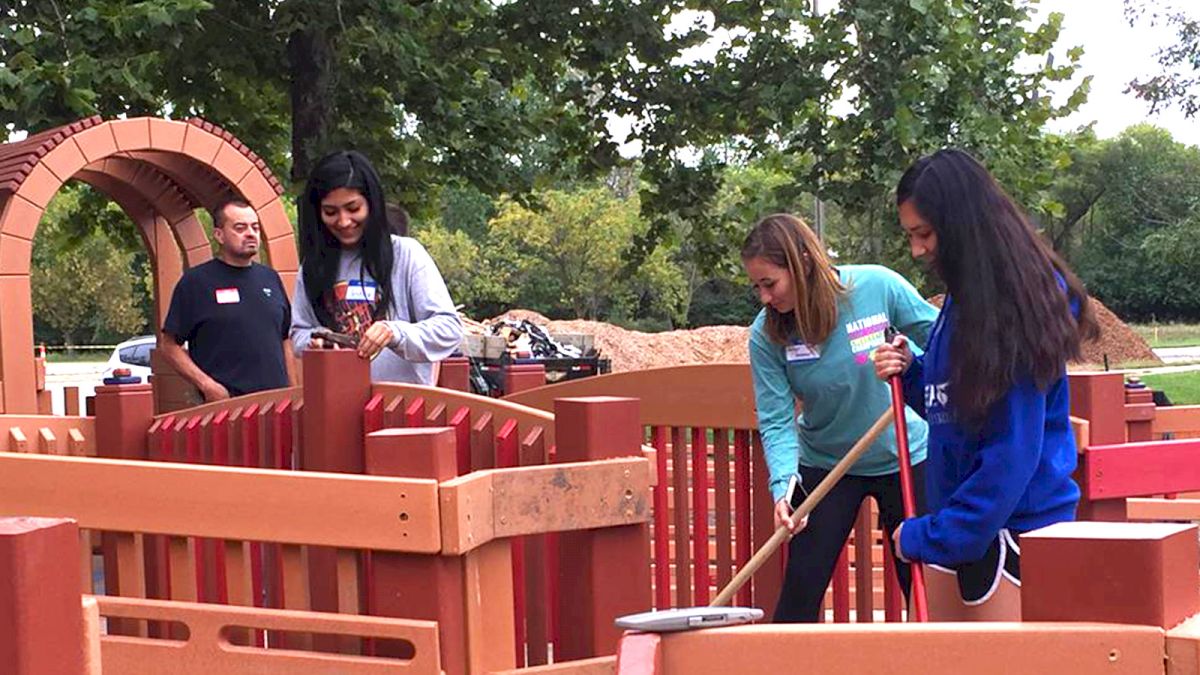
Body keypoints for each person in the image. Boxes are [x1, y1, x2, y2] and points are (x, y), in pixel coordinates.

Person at [874, 149, 1098, 621]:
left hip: (1010, 532)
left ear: (962, 225)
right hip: (963, 526)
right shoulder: (964, 299)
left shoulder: (1016, 307)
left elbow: (1009, 456)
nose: (917, 250)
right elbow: (957, 407)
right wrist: (913, 373)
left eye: (924, 234)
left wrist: (932, 535)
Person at [743, 213, 939, 622]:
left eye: (770, 283)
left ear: (802, 263)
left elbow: (943, 340)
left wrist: (911, 357)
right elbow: (777, 418)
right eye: (756, 286)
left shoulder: (877, 286)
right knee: (799, 592)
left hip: (905, 455)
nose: (764, 297)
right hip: (826, 463)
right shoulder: (766, 333)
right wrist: (783, 486)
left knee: (925, 589)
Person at [290, 150, 462, 383]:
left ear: (372, 204)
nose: (343, 221)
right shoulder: (313, 267)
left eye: (353, 209)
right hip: (337, 404)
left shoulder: (406, 254)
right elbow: (299, 334)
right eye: (330, 212)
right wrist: (316, 341)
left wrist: (395, 333)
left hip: (401, 408)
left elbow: (449, 330)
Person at [160, 199, 295, 401]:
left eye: (255, 227)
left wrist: (293, 392)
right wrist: (207, 385)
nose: (250, 233)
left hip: (275, 406)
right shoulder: (196, 282)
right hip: (225, 407)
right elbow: (169, 346)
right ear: (219, 235)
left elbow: (285, 340)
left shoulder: (271, 278)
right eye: (240, 228)